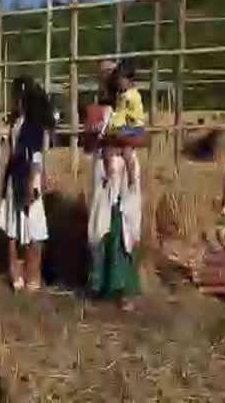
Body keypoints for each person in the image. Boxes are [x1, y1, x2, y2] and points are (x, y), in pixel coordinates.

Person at [87, 61, 144, 311]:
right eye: (106, 76)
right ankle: (100, 286)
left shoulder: (130, 104)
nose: (111, 80)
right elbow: (88, 143)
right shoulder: (98, 109)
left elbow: (142, 136)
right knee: (99, 226)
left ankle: (125, 291)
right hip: (104, 171)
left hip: (125, 170)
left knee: (126, 226)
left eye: (113, 75)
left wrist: (116, 138)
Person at [0, 78, 55, 291]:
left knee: (29, 228)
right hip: (21, 176)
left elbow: (36, 156)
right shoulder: (22, 124)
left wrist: (34, 180)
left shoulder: (30, 125)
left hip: (25, 177)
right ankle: (24, 276)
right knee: (22, 228)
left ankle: (27, 275)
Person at [102, 60, 145, 188]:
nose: (119, 84)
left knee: (127, 152)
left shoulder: (132, 97)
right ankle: (109, 175)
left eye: (121, 81)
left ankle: (131, 178)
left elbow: (131, 115)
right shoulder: (122, 95)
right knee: (109, 151)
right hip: (124, 127)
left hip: (132, 127)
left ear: (129, 81)